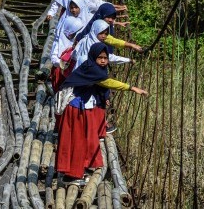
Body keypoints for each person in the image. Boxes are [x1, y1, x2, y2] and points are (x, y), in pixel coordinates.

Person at [56, 43, 148, 184]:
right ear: (93, 57)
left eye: (105, 58)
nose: (103, 61)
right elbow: (108, 83)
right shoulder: (92, 69)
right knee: (77, 141)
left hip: (80, 108)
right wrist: (132, 88)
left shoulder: (93, 68)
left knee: (82, 139)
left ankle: (78, 170)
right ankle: (72, 175)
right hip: (75, 110)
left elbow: (100, 86)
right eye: (100, 58)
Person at [72, 19, 142, 71]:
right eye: (101, 33)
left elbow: (75, 55)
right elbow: (110, 58)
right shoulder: (96, 46)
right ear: (95, 31)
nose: (104, 36)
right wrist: (128, 60)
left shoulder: (86, 38)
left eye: (106, 34)